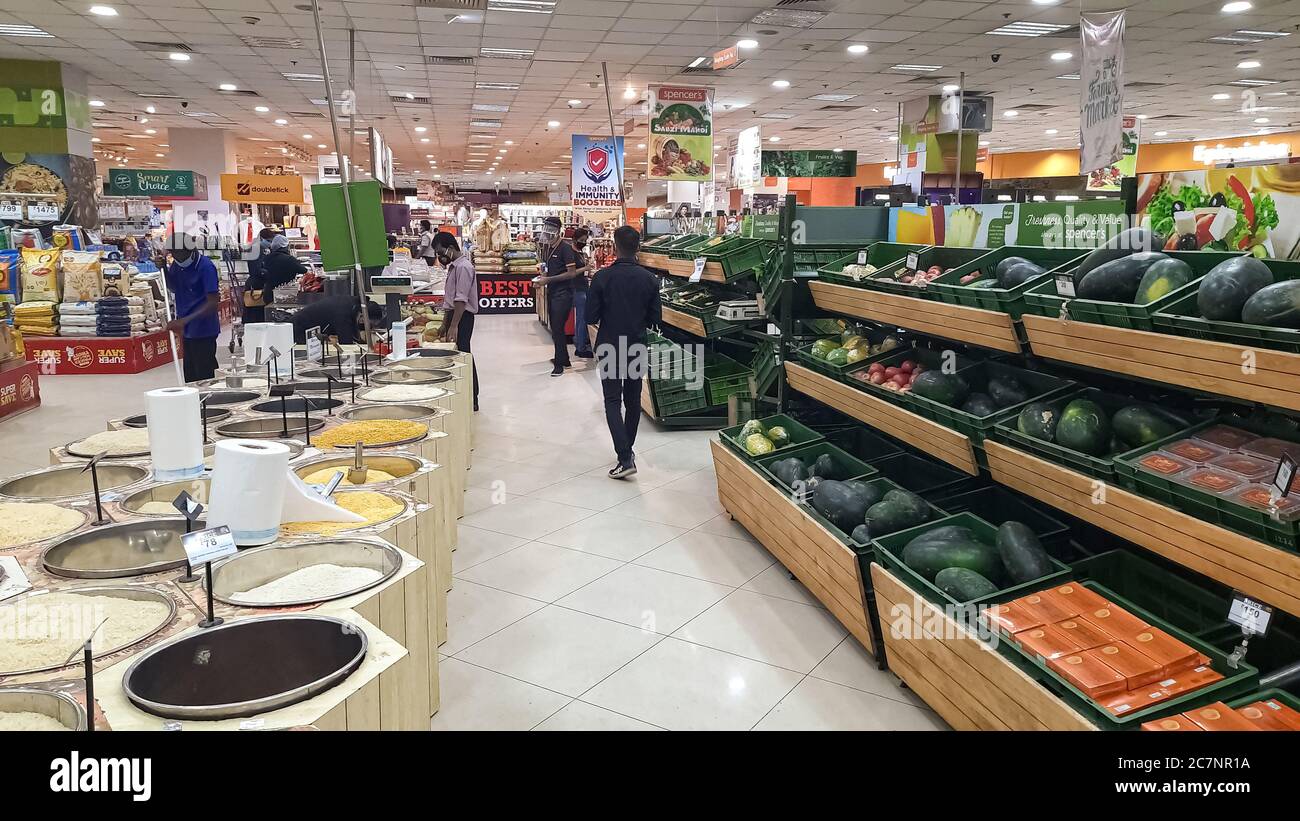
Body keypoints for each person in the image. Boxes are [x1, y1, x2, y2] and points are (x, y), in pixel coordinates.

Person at [586, 225, 661, 479]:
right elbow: (655, 319)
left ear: (615, 247)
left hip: (609, 345)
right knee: (632, 402)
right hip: (636, 345)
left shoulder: (602, 278)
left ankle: (625, 456)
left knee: (612, 401)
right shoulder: (650, 280)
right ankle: (626, 451)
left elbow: (590, 315)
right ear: (637, 247)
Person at [164, 235, 222, 383]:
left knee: (204, 374)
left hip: (204, 329)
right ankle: (193, 403)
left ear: (190, 250)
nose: (176, 256)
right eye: (173, 253)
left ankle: (208, 404)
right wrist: (164, 268)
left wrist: (184, 321)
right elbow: (173, 287)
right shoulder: (178, 265)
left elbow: (213, 303)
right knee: (190, 374)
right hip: (187, 330)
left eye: (178, 252)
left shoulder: (205, 267)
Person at [433, 232, 480, 411]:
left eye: (440, 252)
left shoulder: (464, 268)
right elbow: (450, 300)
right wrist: (445, 323)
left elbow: (461, 300)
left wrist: (454, 326)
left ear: (451, 248)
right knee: (458, 354)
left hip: (463, 317)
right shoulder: (454, 267)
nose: (439, 256)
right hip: (455, 316)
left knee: (464, 354)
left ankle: (472, 397)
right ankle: (463, 394)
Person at [534, 216, 579, 376]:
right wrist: (542, 277)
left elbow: (572, 273)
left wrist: (548, 279)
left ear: (556, 231)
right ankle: (563, 358)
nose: (546, 233)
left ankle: (559, 364)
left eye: (549, 229)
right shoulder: (548, 247)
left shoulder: (565, 248)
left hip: (563, 294)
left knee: (558, 329)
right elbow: (550, 269)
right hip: (553, 292)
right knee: (555, 328)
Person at [247, 234, 308, 324]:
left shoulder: (267, 258)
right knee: (285, 319)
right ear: (285, 246)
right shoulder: (289, 259)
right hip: (285, 295)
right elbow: (303, 270)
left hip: (268, 294)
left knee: (271, 319)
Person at [290, 295, 383, 346]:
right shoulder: (342, 313)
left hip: (309, 328)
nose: (369, 327)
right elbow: (346, 344)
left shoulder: (352, 304)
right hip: (298, 329)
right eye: (371, 323)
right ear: (363, 317)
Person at [569, 227, 594, 358]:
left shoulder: (580, 252)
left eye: (585, 240)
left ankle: (579, 340)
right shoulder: (570, 253)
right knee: (582, 318)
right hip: (577, 288)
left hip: (583, 287)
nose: (584, 242)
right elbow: (571, 273)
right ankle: (581, 348)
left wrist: (588, 271)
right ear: (574, 239)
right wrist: (585, 268)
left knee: (581, 318)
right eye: (582, 240)